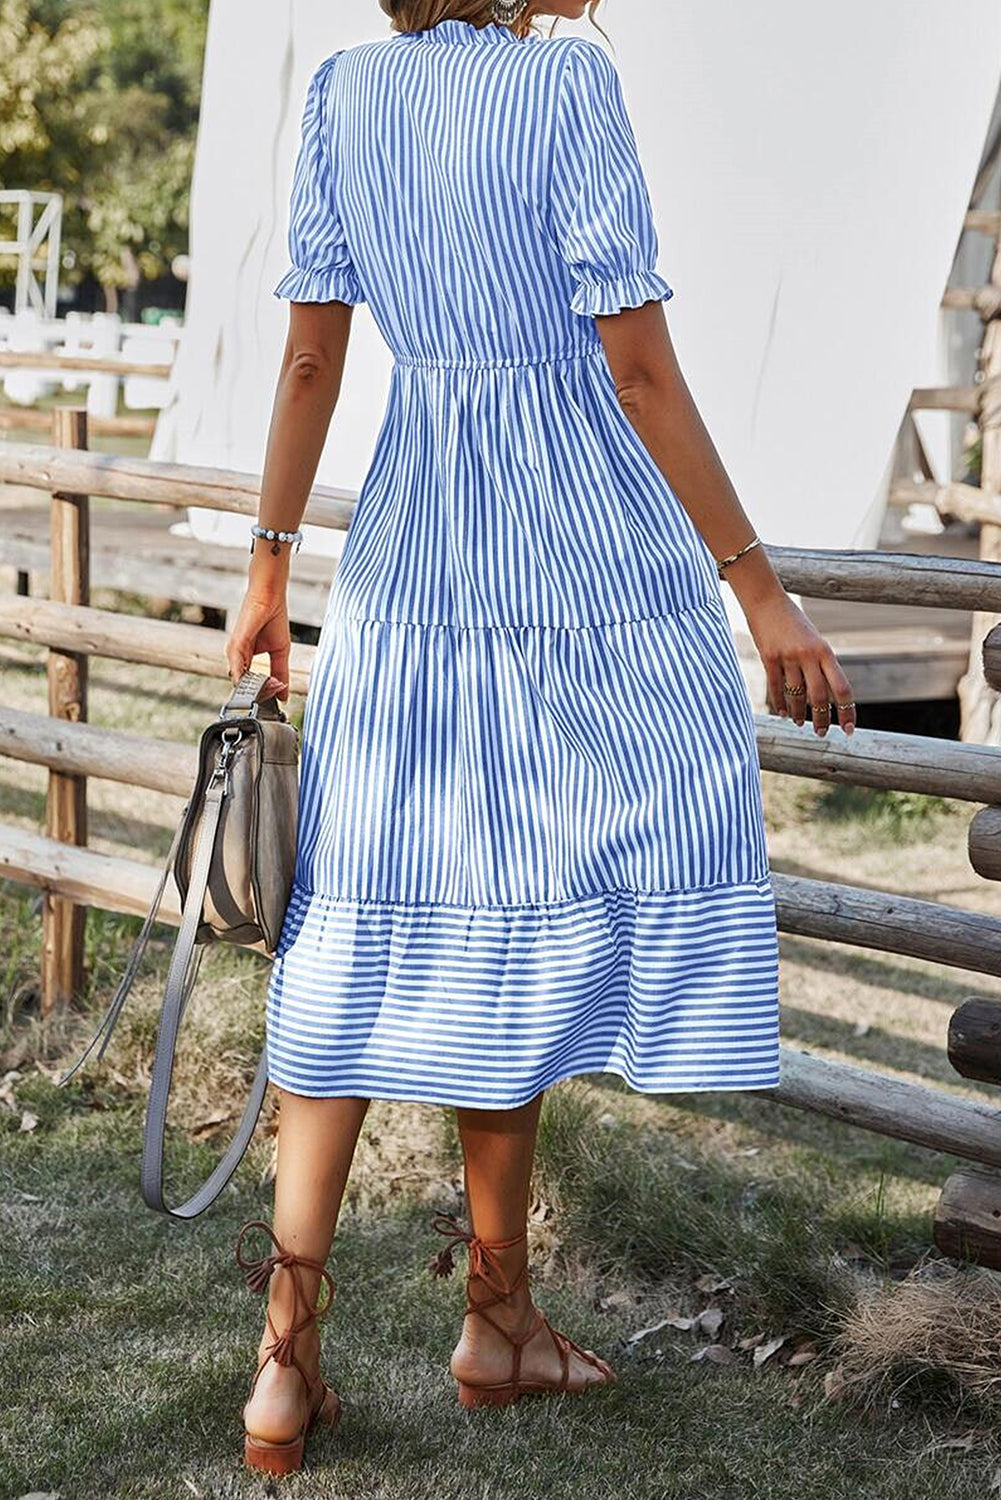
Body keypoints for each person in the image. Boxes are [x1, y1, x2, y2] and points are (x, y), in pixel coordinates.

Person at [225, 0, 856, 1473]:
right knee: (552, 876)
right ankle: (490, 1317)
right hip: (572, 551)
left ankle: (315, 1359)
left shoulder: (345, 91)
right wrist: (760, 592)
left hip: (409, 558)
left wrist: (267, 570)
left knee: (378, 923)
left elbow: (311, 361)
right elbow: (637, 370)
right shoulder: (566, 83)